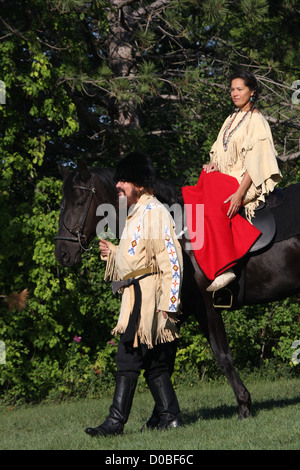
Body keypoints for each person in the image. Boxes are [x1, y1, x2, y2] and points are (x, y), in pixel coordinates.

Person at [85, 152, 183, 437]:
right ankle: (170, 416)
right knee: (153, 361)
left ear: (139, 183)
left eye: (124, 181)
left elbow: (172, 261)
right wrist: (113, 253)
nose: (118, 186)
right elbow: (135, 260)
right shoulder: (135, 213)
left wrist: (170, 303)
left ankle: (115, 423)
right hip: (135, 296)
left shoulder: (156, 213)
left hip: (148, 299)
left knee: (127, 358)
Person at [182, 69, 282, 292]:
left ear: (252, 92)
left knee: (213, 202)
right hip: (226, 177)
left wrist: (238, 194)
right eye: (232, 90)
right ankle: (203, 259)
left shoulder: (257, 121)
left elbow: (255, 164)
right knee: (196, 189)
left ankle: (225, 267)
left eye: (240, 89)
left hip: (245, 182)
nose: (234, 93)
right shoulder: (231, 119)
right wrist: (214, 165)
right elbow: (222, 152)